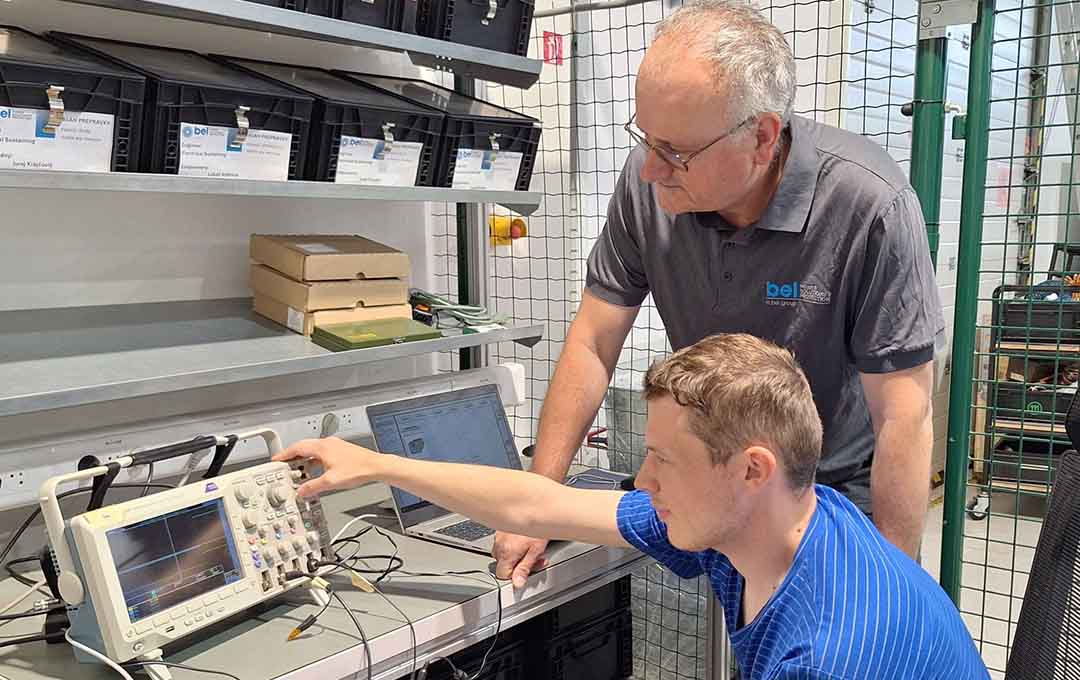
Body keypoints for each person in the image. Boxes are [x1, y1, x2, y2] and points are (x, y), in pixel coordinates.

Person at [494, 0, 945, 582]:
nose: (651, 169)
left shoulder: (868, 205)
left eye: (676, 151)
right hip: (708, 485)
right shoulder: (646, 184)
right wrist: (540, 499)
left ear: (762, 137)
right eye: (645, 138)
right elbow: (593, 343)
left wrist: (892, 586)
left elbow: (903, 416)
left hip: (824, 497)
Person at [274, 334, 987, 680]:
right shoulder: (783, 519)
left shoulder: (827, 655)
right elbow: (536, 504)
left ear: (750, 469)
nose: (641, 480)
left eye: (664, 459)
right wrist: (373, 462)